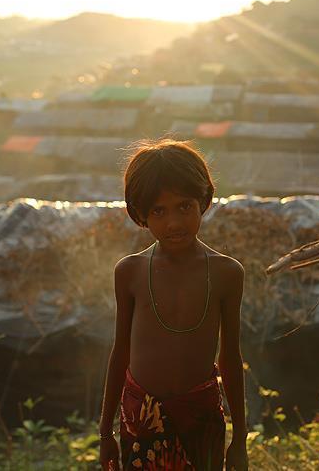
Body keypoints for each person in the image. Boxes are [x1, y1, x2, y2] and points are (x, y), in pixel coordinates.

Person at [98, 139, 248, 471]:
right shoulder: (130, 272)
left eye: (184, 206)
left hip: (201, 415)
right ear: (140, 215)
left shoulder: (226, 273)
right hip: (141, 419)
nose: (174, 223)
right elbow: (120, 351)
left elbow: (230, 357)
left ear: (204, 202)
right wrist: (105, 432)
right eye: (158, 211)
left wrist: (240, 438)